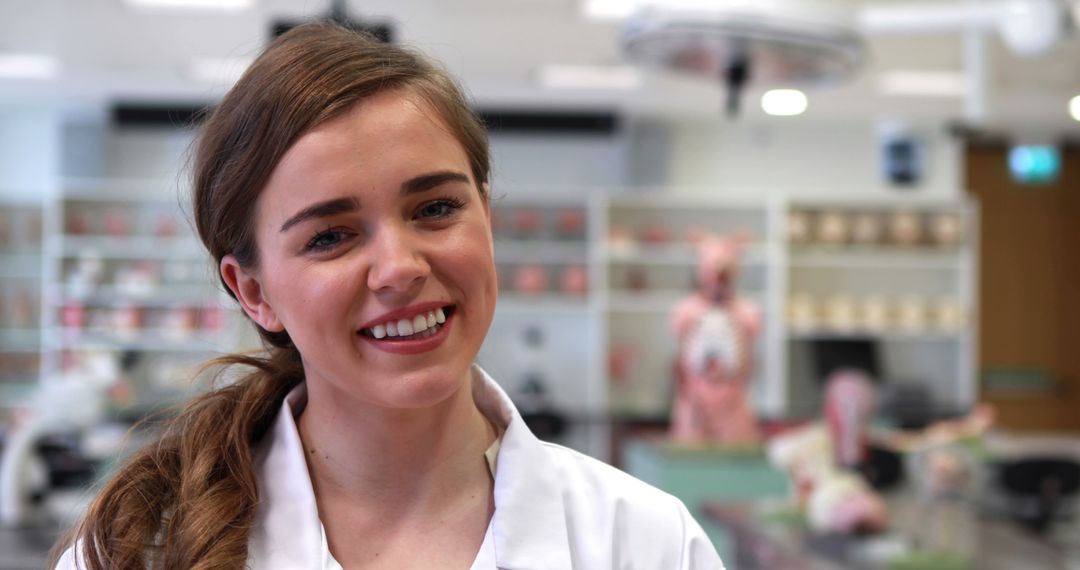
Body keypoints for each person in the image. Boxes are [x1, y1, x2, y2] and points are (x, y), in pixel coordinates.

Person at [53, 21, 723, 569]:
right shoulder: (137, 549)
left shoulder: (646, 544)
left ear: (486, 218)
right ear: (253, 292)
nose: (398, 269)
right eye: (331, 237)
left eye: (434, 208)